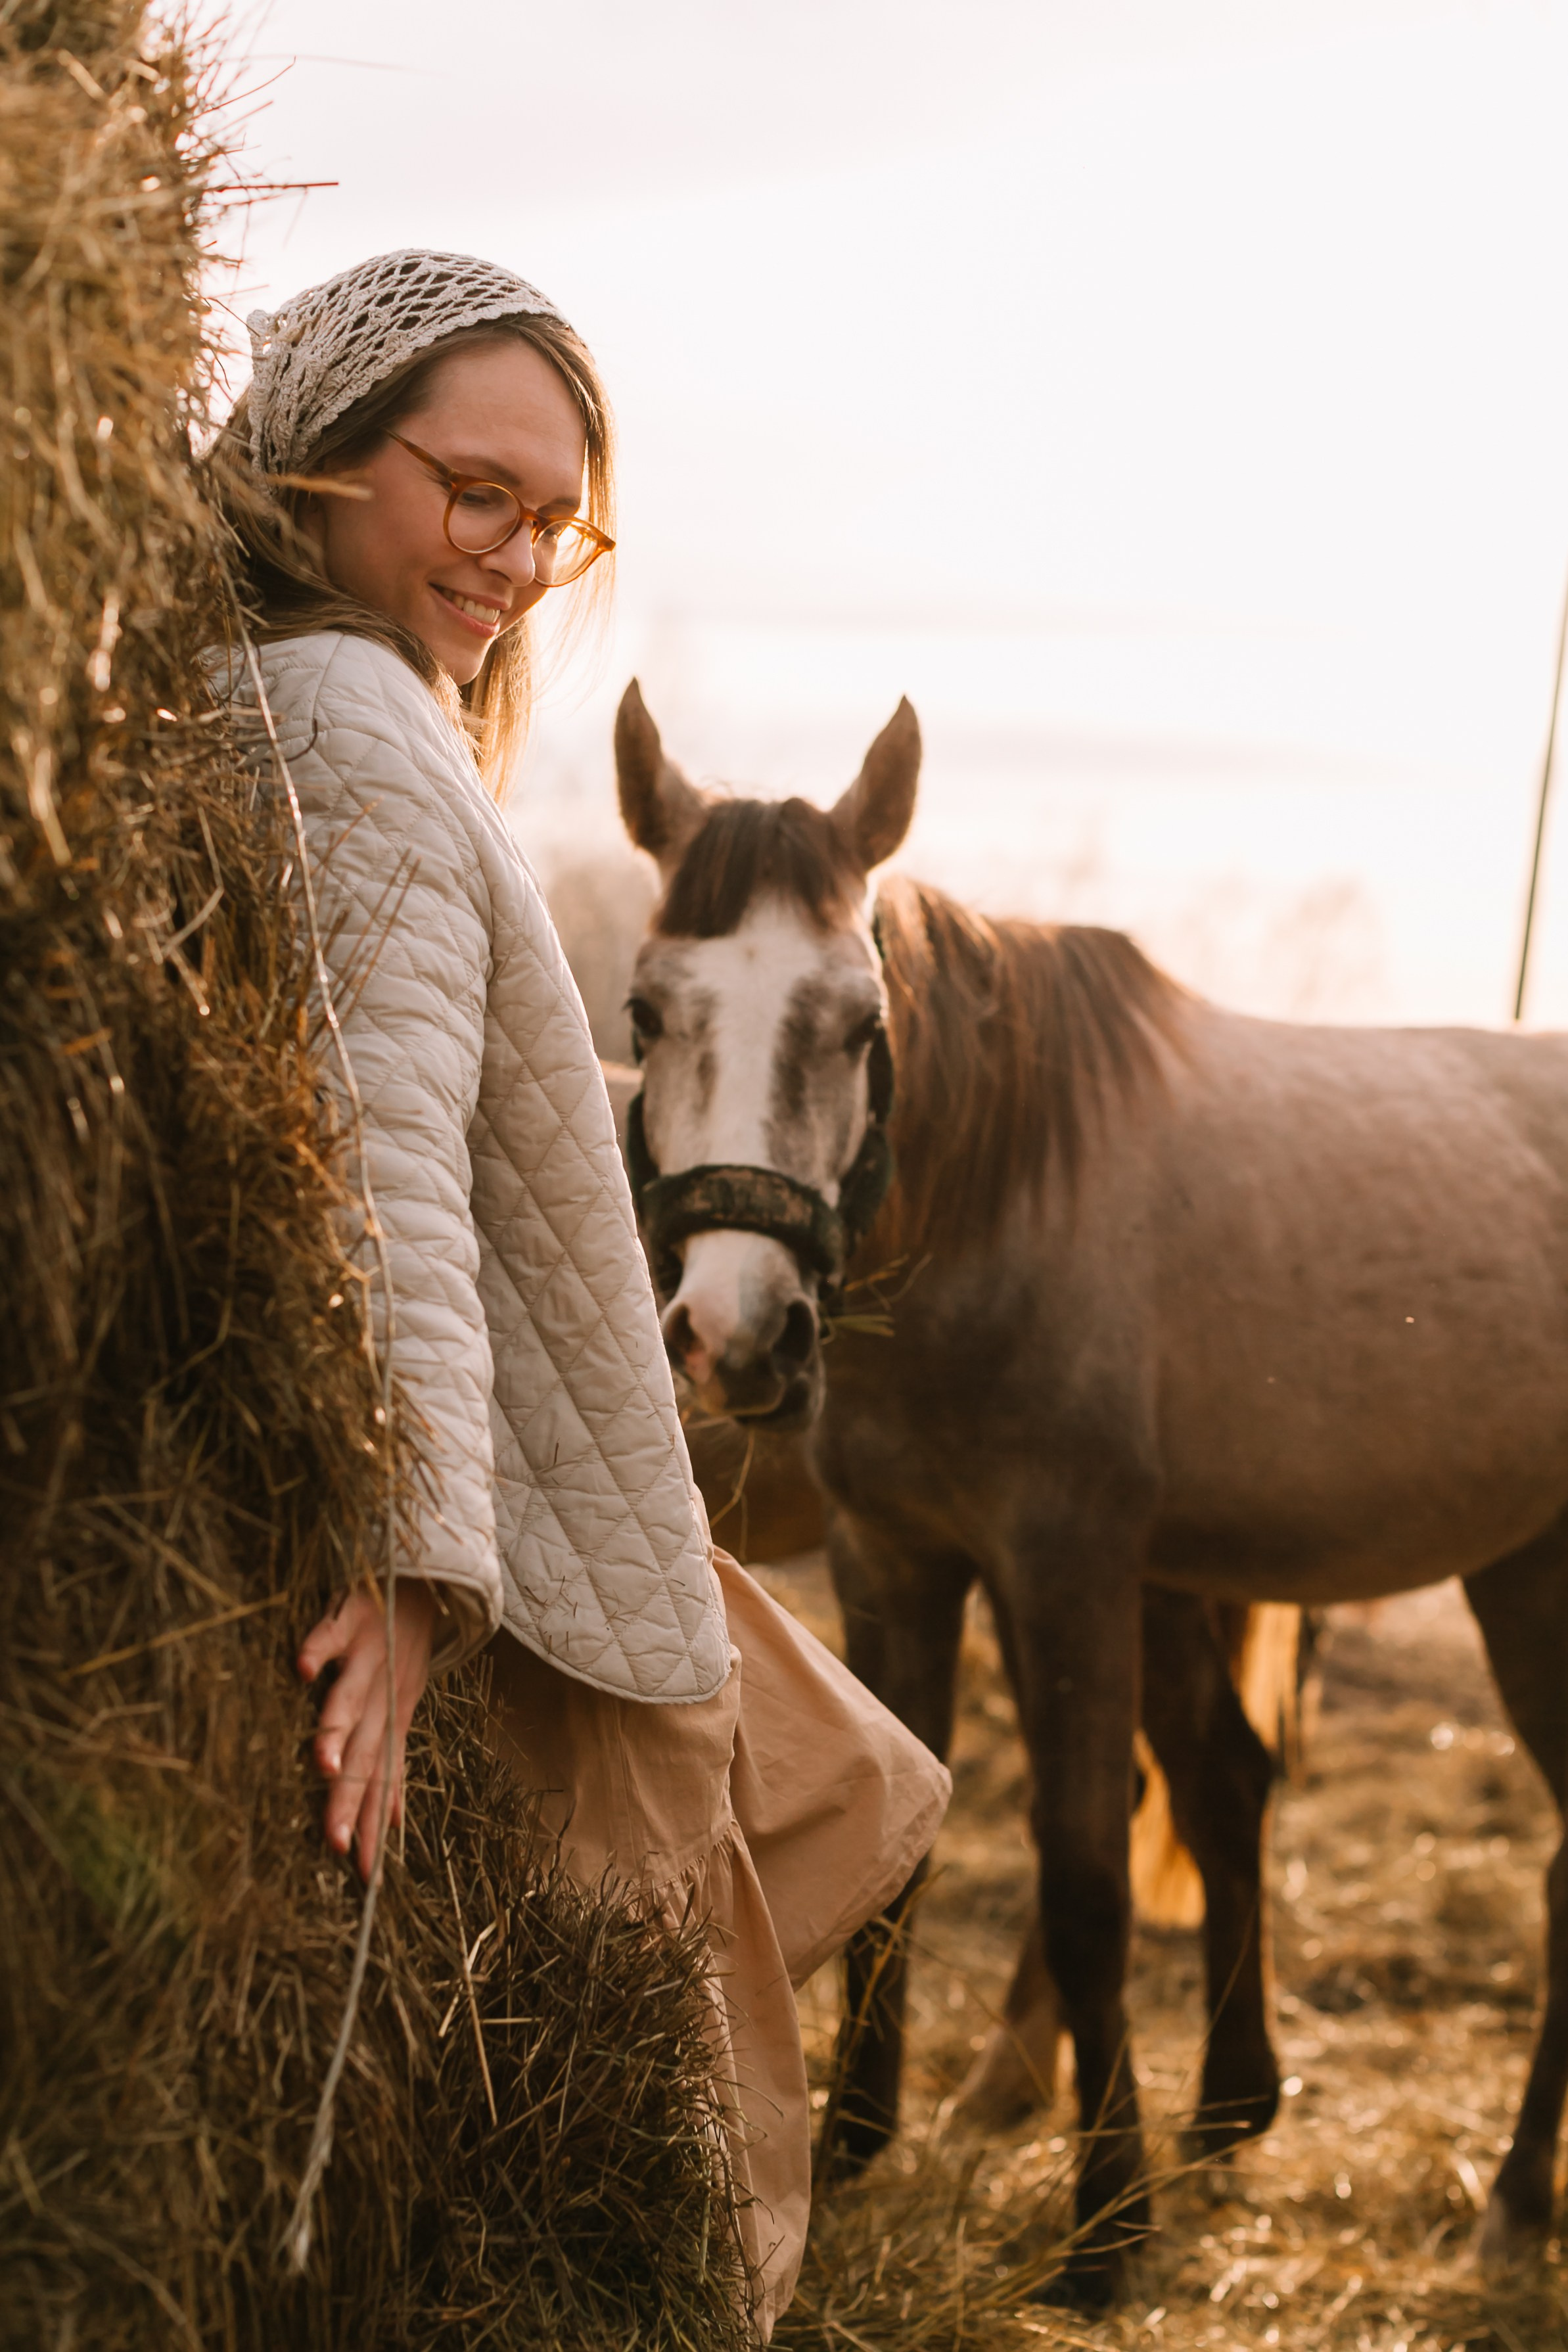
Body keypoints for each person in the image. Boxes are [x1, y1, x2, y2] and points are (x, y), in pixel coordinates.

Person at [216, 249, 950, 2336]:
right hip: (505, 1557)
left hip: (541, 1467)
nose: (522, 558)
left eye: (560, 521)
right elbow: (376, 1158)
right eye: (476, 494)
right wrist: (423, 1555)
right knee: (670, 2161)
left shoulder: (337, 704)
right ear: (318, 458)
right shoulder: (361, 728)